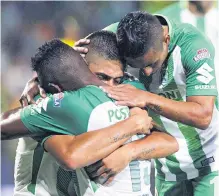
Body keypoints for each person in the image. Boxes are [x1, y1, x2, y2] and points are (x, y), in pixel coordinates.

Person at [1, 33, 178, 196]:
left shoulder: (126, 93)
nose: (110, 86)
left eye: (116, 80)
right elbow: (70, 156)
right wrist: (131, 126)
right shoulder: (56, 101)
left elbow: (168, 142)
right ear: (82, 66)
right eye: (102, 77)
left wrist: (129, 152)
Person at [75, 11, 219, 196]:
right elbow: (68, 59)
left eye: (152, 63)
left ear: (166, 39)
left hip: (209, 163)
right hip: (166, 168)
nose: (147, 72)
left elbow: (203, 116)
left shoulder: (194, 46)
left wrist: (147, 97)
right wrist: (39, 78)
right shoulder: (118, 36)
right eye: (139, 66)